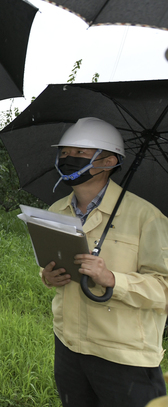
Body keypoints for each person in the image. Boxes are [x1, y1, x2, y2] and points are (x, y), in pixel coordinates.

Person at [40, 117, 168, 407]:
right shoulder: (56, 211)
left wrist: (113, 280)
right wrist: (48, 276)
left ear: (108, 161)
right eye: (64, 153)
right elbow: (48, 263)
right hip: (69, 346)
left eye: (80, 154)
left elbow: (164, 289)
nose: (68, 159)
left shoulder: (146, 217)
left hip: (124, 358)